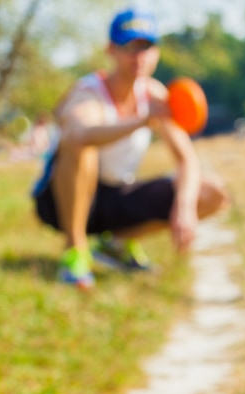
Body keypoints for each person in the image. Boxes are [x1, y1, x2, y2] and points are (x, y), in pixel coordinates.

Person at [31, 7, 228, 289]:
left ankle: (115, 245)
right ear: (111, 50)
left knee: (211, 193)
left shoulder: (155, 94)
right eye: (130, 47)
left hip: (117, 195)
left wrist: (184, 207)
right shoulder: (88, 92)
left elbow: (187, 160)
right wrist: (140, 121)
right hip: (61, 200)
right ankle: (75, 252)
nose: (139, 57)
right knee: (81, 146)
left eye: (146, 47)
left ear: (157, 52)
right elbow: (79, 133)